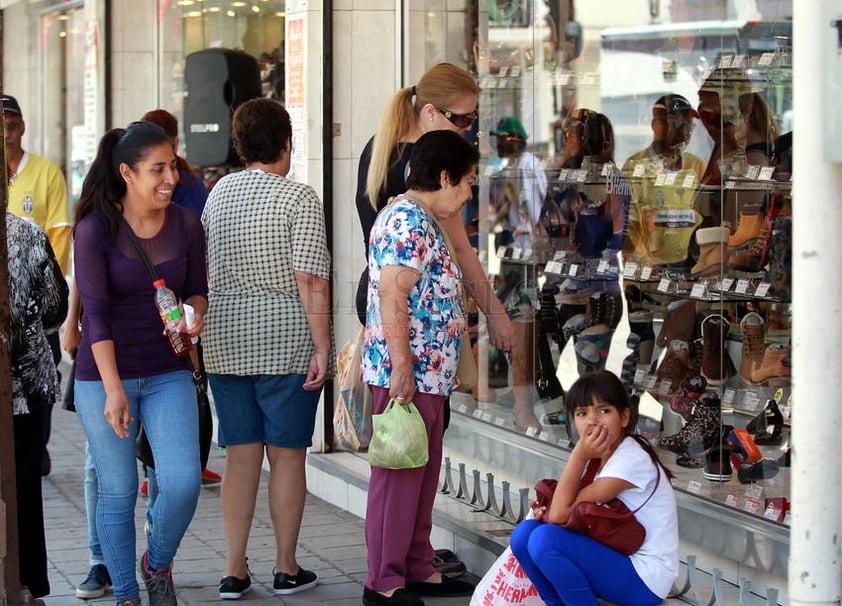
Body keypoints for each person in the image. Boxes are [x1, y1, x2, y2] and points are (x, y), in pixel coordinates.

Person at [201, 98, 332, 601]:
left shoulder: (218, 195)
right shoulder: (298, 198)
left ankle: (234, 570)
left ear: (238, 145)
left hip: (226, 339)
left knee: (239, 457)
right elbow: (311, 281)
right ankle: (285, 566)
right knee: (287, 455)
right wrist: (322, 347)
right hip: (285, 340)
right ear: (287, 144)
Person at [73, 120, 208, 606]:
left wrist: (194, 315)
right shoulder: (94, 230)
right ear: (127, 173)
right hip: (104, 375)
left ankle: (157, 562)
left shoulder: (188, 225)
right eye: (158, 169)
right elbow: (97, 315)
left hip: (168, 369)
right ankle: (127, 593)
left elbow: (198, 290)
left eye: (172, 165)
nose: (170, 177)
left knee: (182, 481)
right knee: (118, 488)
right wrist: (112, 389)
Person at [361, 130, 479, 606]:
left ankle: (416, 565)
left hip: (428, 376)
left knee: (420, 471)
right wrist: (403, 369)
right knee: (398, 476)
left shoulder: (422, 218)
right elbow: (393, 293)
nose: (470, 192)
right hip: (407, 377)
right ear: (445, 176)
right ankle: (383, 581)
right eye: (467, 181)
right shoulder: (407, 221)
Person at [354, 62, 514, 353]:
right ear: (430, 112)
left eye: (473, 118)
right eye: (462, 120)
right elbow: (460, 248)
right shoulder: (430, 164)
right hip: (416, 309)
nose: (467, 130)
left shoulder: (378, 146)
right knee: (417, 395)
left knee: (390, 394)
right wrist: (495, 313)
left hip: (378, 296)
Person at [510, 370, 678, 606]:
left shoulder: (631, 459)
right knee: (524, 535)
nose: (592, 420)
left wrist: (578, 454)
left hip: (646, 578)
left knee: (544, 540)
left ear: (624, 417)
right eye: (582, 413)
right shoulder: (603, 455)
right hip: (619, 556)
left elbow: (560, 513)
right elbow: (566, 508)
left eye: (604, 411)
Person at [3, 93, 71, 477]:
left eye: (12, 124)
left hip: (37, 299)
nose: (7, 134)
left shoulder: (45, 173)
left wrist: (48, 286)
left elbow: (59, 234)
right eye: (2, 125)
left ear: (23, 127)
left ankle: (38, 444)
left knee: (39, 376)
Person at [6, 211, 69, 602]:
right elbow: (53, 309)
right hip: (24, 388)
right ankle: (25, 583)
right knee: (24, 489)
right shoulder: (26, 234)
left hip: (24, 390)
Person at [488, 116, 548, 432]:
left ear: (516, 138)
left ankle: (525, 403)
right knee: (512, 326)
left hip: (525, 256)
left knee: (523, 328)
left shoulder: (527, 166)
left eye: (503, 136)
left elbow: (530, 211)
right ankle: (520, 393)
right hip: (513, 255)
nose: (498, 142)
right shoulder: (509, 166)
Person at [621, 94, 705, 269]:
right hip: (650, 268)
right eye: (674, 123)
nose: (682, 131)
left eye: (686, 124)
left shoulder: (696, 166)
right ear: (655, 125)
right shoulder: (635, 167)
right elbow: (628, 225)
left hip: (692, 266)